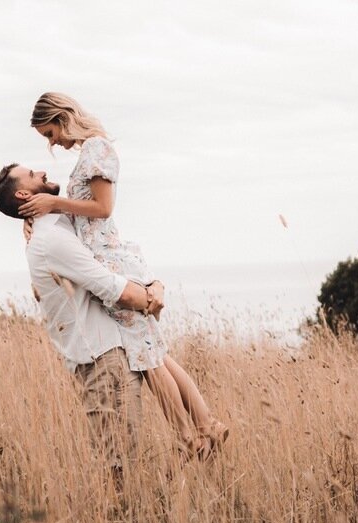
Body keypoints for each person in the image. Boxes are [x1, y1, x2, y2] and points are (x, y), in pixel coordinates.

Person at [21, 92, 228, 461]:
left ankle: (193, 435)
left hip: (111, 261)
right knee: (155, 354)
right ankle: (206, 425)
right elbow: (84, 216)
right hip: (106, 258)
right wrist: (37, 219)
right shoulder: (88, 152)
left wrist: (53, 203)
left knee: (146, 358)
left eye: (50, 133)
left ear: (62, 117)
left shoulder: (97, 148)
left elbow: (102, 208)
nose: (52, 144)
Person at [0, 162, 165, 470]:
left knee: (124, 458)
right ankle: (121, 519)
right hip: (101, 362)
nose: (42, 171)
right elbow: (111, 287)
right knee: (120, 465)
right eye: (32, 175)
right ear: (24, 192)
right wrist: (152, 295)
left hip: (105, 358)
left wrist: (29, 217)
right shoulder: (50, 241)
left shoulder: (54, 227)